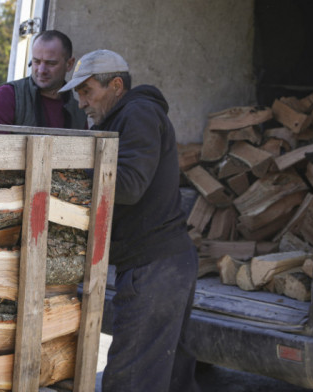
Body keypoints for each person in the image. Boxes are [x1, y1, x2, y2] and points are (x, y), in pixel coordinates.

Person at [59, 50, 200, 392]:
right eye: (78, 94)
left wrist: (65, 180)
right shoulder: (125, 116)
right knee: (169, 376)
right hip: (164, 264)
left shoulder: (137, 113)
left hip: (154, 268)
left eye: (87, 91)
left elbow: (130, 184)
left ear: (116, 85)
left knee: (131, 379)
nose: (81, 103)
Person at [0, 30, 87, 129]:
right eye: (36, 61)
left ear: (69, 64)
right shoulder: (7, 96)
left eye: (51, 63)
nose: (41, 70)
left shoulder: (78, 112)